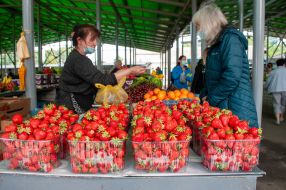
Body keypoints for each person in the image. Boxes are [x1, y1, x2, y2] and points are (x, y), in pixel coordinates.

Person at [192, 2, 258, 128]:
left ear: (208, 23)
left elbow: (232, 76)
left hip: (235, 108)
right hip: (224, 107)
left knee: (236, 145)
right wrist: (203, 95)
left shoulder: (230, 39)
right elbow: (213, 77)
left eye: (198, 26)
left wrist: (211, 98)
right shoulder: (216, 45)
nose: (198, 31)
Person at [56, 24, 146, 113]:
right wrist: (129, 70)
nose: (95, 43)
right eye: (92, 39)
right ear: (79, 40)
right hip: (71, 105)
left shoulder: (79, 57)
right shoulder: (78, 60)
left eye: (96, 39)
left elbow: (96, 77)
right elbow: (102, 80)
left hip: (76, 101)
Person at [265, 59, 286, 125]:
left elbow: (268, 81)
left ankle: (277, 120)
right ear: (284, 64)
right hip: (285, 90)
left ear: (277, 64)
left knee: (277, 104)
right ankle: (281, 117)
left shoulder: (273, 72)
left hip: (275, 89)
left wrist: (265, 87)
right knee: (283, 104)